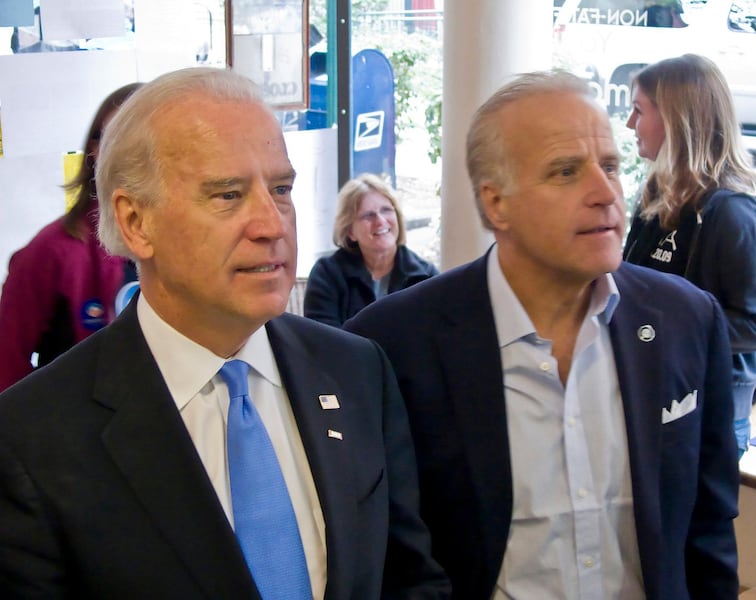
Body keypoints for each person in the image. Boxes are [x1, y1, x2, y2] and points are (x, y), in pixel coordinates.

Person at [0, 67, 449, 599]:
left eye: (281, 188)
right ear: (136, 221)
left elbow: (409, 579)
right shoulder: (32, 439)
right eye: (228, 195)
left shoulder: (357, 372)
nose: (272, 223)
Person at [345, 71, 739, 599]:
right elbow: (393, 559)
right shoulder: (391, 346)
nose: (605, 193)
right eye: (565, 172)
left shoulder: (686, 320)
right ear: (496, 204)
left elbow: (708, 534)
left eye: (611, 166)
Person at [623, 54, 756, 456]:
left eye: (638, 111)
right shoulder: (653, 202)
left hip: (707, 419)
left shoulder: (732, 213)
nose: (629, 125)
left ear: (676, 118)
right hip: (652, 403)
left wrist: (670, 327)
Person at [0, 82, 142, 392]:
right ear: (95, 151)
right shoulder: (52, 252)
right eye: (121, 138)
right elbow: (6, 364)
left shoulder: (199, 243)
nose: (137, 155)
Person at [303, 173, 438, 326]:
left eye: (386, 210)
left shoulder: (425, 276)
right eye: (368, 215)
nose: (380, 221)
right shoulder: (327, 274)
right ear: (350, 231)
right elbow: (320, 339)